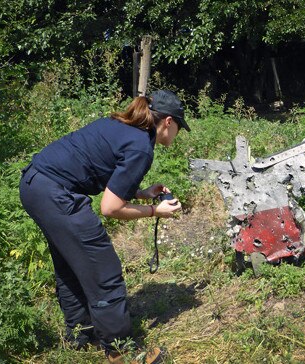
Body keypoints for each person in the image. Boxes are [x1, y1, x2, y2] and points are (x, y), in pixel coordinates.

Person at [19, 90, 190, 363]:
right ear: (168, 122)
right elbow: (110, 208)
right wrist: (153, 211)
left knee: (71, 264)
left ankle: (81, 335)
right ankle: (121, 352)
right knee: (104, 272)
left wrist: (142, 193)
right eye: (180, 127)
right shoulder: (141, 147)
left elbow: (105, 174)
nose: (178, 134)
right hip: (57, 195)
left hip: (34, 185)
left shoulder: (120, 126)